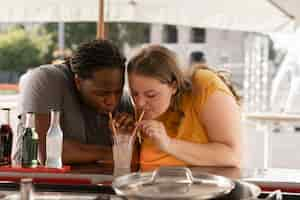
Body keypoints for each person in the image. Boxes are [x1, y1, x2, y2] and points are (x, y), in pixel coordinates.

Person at [13, 39, 133, 165]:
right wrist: (112, 153)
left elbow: (134, 158)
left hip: (98, 183)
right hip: (36, 183)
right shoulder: (46, 80)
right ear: (78, 82)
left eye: (118, 91)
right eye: (101, 94)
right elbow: (49, 153)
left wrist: (125, 140)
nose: (112, 101)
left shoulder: (124, 102)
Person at [127, 45, 241, 171]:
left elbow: (232, 155)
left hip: (204, 187)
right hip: (155, 188)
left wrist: (169, 144)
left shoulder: (204, 85)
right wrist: (126, 137)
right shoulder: (143, 105)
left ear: (174, 86)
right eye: (134, 93)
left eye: (151, 95)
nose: (140, 103)